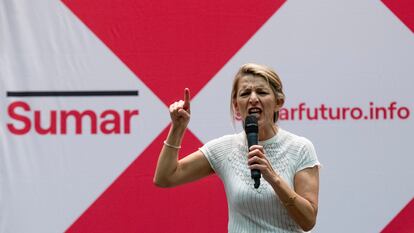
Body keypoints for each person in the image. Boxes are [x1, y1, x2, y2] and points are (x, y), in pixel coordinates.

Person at [154, 63, 320, 233]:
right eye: (245, 93)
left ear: (279, 102)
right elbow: (165, 177)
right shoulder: (225, 149)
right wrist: (178, 128)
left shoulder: (300, 148)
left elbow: (308, 221)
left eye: (262, 92)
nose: (253, 98)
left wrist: (273, 178)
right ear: (236, 105)